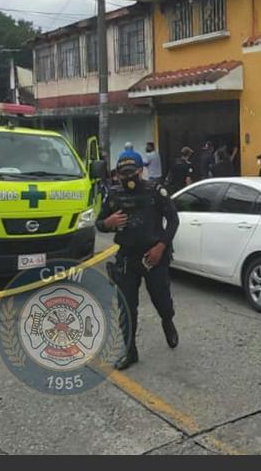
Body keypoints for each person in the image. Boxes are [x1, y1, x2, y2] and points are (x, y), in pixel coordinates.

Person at [96, 155, 180, 370]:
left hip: (154, 257)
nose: (128, 177)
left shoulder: (155, 192)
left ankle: (167, 321)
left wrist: (161, 247)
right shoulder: (114, 195)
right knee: (126, 306)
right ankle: (130, 351)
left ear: (140, 171)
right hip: (127, 259)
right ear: (117, 175)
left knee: (162, 298)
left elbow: (173, 219)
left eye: (132, 172)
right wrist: (108, 222)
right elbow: (99, 223)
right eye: (123, 174)